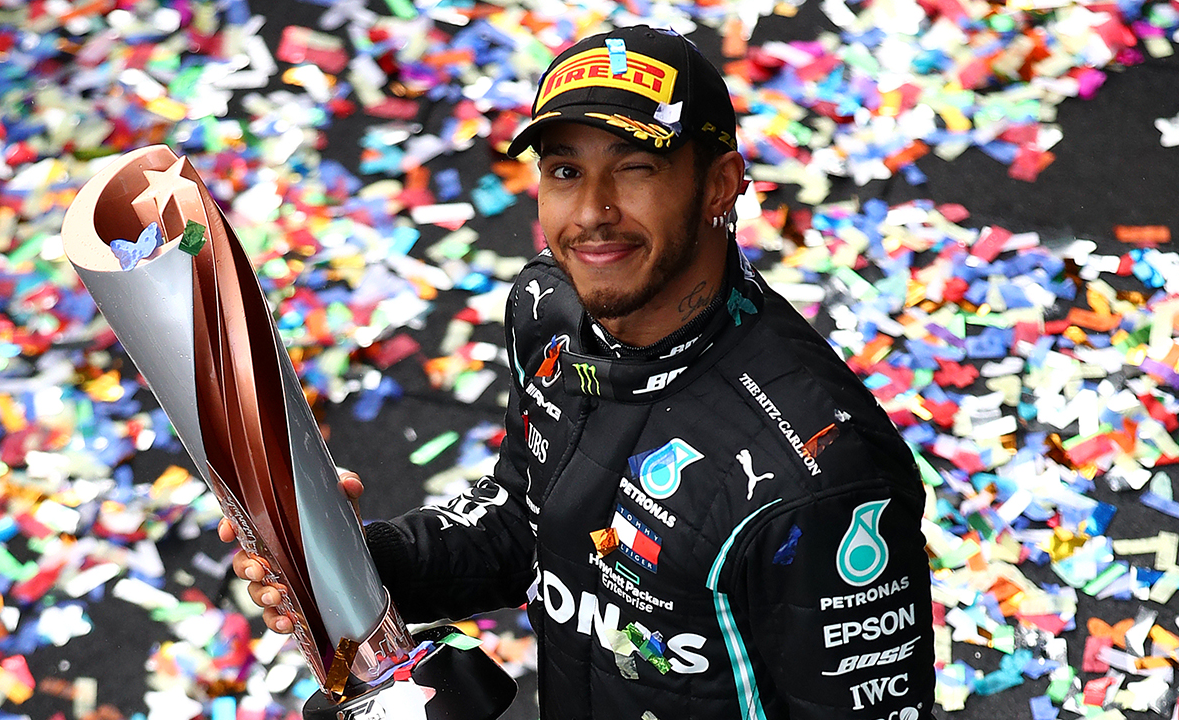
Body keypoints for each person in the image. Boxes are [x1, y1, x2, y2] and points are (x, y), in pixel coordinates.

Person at [221, 25, 936, 720]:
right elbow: (526, 522)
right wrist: (350, 566)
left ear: (722, 185)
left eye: (635, 167)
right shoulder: (546, 308)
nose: (592, 212)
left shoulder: (823, 477)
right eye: (566, 171)